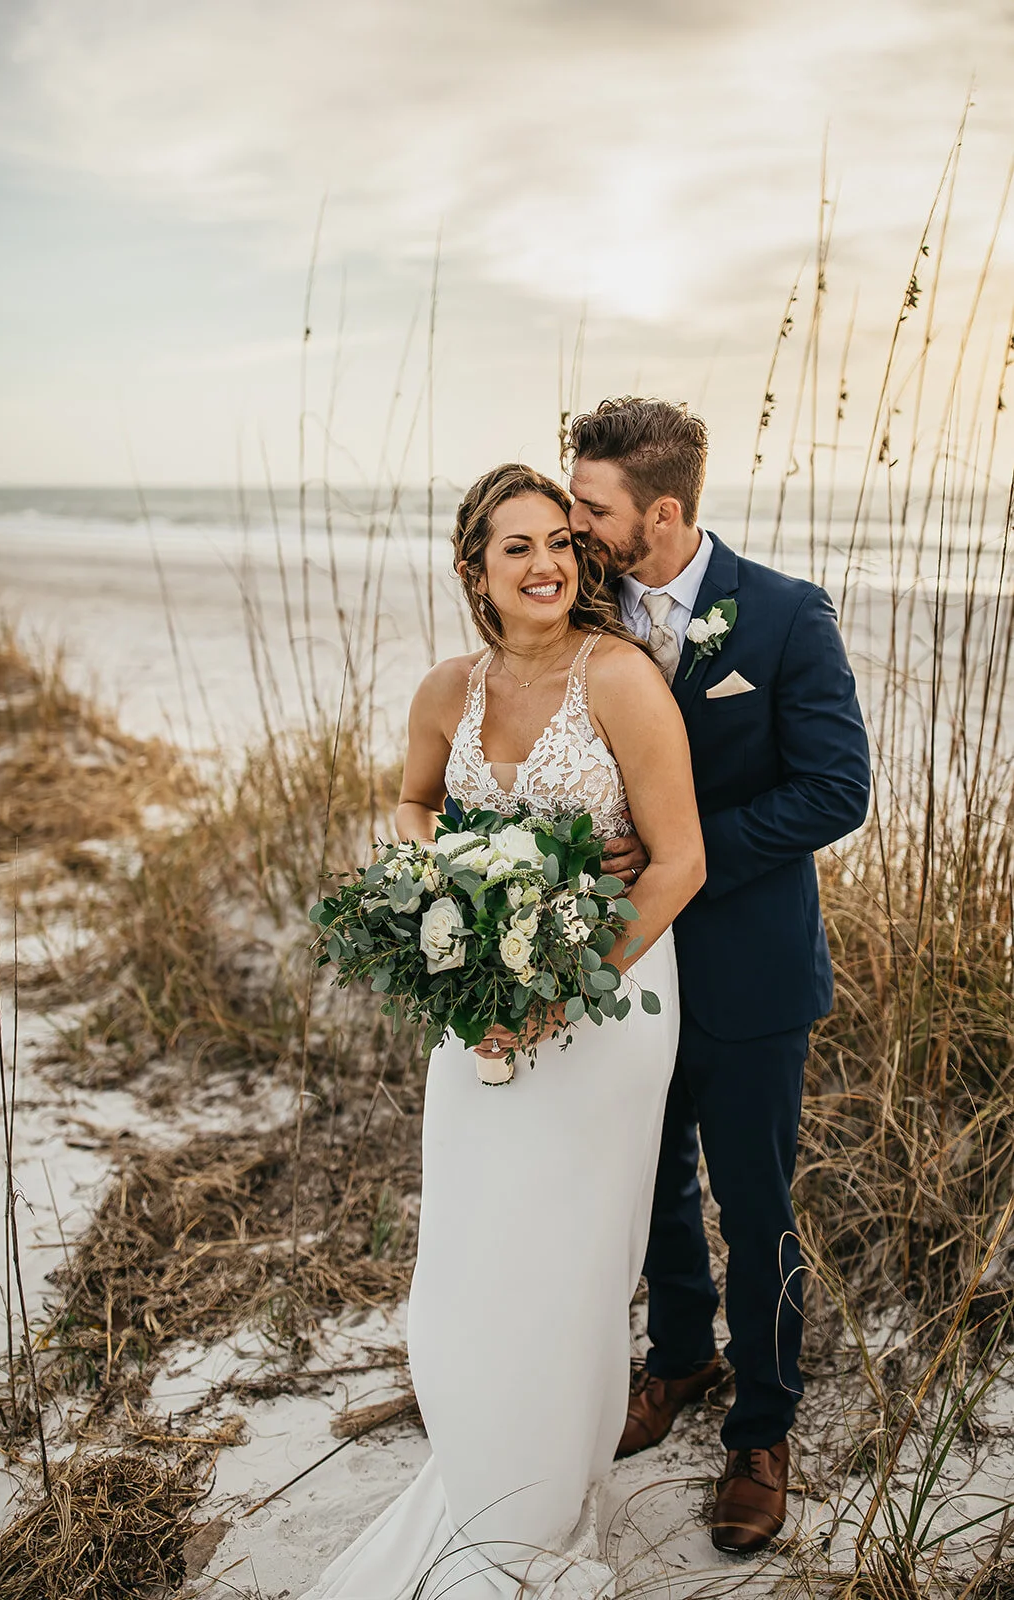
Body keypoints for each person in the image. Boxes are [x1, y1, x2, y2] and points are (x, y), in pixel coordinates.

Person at [300, 463, 705, 1597]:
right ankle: (481, 1465)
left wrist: (560, 983)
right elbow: (416, 801)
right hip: (473, 1006)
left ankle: (537, 1501)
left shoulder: (617, 677)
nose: (545, 565)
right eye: (515, 547)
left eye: (558, 545)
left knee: (570, 1253)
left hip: (604, 1004)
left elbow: (678, 861)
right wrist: (436, 888)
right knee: (472, 1247)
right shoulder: (444, 690)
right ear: (474, 571)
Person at [566, 397, 871, 1554]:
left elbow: (835, 789)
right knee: (647, 1186)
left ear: (662, 511)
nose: (572, 525)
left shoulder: (785, 617)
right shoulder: (584, 613)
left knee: (755, 1203)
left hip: (746, 970)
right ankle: (680, 1357)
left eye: (589, 508)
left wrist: (684, 857)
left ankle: (762, 1425)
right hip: (624, 970)